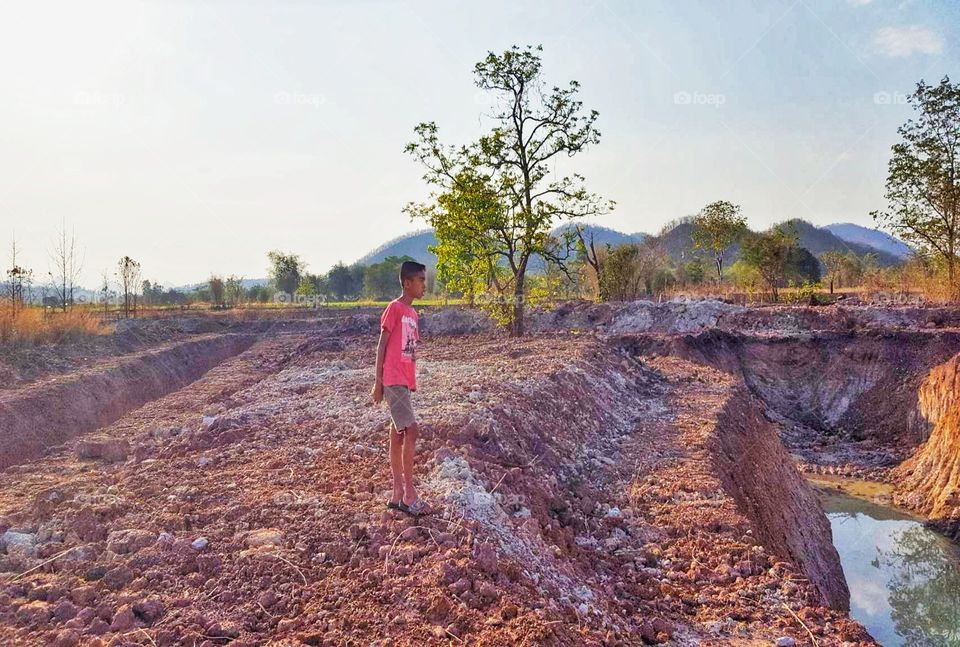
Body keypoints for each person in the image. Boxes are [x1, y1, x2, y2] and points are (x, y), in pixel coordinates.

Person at [371, 260, 430, 516]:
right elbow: (382, 346)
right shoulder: (394, 309)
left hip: (403, 381)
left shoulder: (414, 315)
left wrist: (412, 381)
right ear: (408, 283)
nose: (424, 285)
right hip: (392, 379)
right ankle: (409, 494)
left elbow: (410, 353)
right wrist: (378, 382)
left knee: (398, 434)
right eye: (420, 280)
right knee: (412, 430)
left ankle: (397, 493)